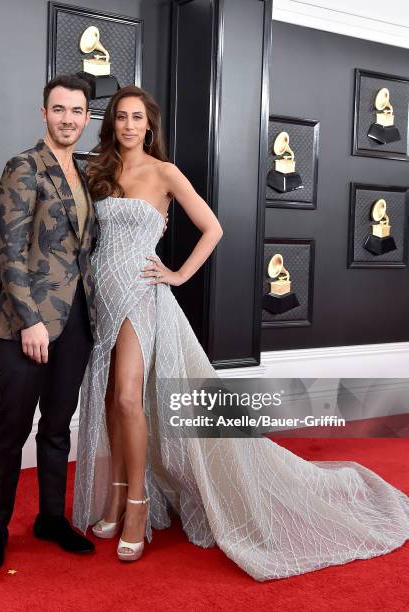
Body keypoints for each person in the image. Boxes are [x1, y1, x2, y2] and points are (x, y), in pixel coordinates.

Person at [72, 84, 409, 580]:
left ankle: (139, 505)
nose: (127, 125)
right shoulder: (99, 172)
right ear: (112, 123)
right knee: (111, 401)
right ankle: (119, 497)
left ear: (150, 125)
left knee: (126, 399)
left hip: (142, 295)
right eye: (120, 117)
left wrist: (179, 275)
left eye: (137, 118)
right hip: (103, 294)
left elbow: (213, 228)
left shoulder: (164, 172)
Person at [0, 75, 97, 573]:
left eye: (77, 111)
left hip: (77, 322)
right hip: (27, 325)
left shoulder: (86, 173)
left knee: (57, 427)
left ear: (88, 118)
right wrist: (30, 321)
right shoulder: (23, 167)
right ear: (43, 113)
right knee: (11, 428)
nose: (68, 118)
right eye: (59, 109)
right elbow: (9, 250)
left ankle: (50, 517)